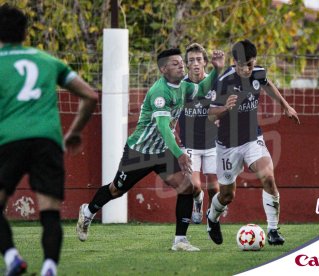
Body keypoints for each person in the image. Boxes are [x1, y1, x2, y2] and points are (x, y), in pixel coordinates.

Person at [76, 48, 224, 252]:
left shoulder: (184, 86)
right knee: (116, 190)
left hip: (162, 151)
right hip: (139, 153)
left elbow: (203, 87)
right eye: (175, 63)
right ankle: (88, 211)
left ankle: (180, 240)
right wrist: (180, 154)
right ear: (164, 69)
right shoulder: (159, 92)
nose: (182, 65)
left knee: (186, 188)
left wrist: (217, 69)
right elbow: (163, 128)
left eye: (182, 62)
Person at [0, 4, 99, 276]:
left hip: (9, 140)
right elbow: (90, 95)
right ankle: (49, 267)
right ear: (25, 32)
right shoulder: (47, 61)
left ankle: (11, 257)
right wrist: (75, 131)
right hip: (47, 141)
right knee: (50, 212)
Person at [206, 39, 300, 246]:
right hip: (227, 146)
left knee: (267, 176)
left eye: (250, 63)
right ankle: (212, 218)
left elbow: (268, 84)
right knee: (227, 196)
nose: (247, 69)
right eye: (242, 65)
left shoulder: (258, 72)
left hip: (252, 139)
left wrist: (286, 106)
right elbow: (210, 115)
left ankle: (273, 230)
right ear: (234, 62)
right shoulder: (224, 82)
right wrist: (224, 109)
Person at [178, 43, 220, 224]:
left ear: (205, 62)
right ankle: (198, 201)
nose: (195, 63)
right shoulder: (181, 86)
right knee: (194, 186)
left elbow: (225, 106)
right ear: (187, 64)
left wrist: (220, 117)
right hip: (190, 145)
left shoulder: (214, 83)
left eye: (198, 59)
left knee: (215, 189)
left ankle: (212, 214)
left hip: (213, 144)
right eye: (191, 60)